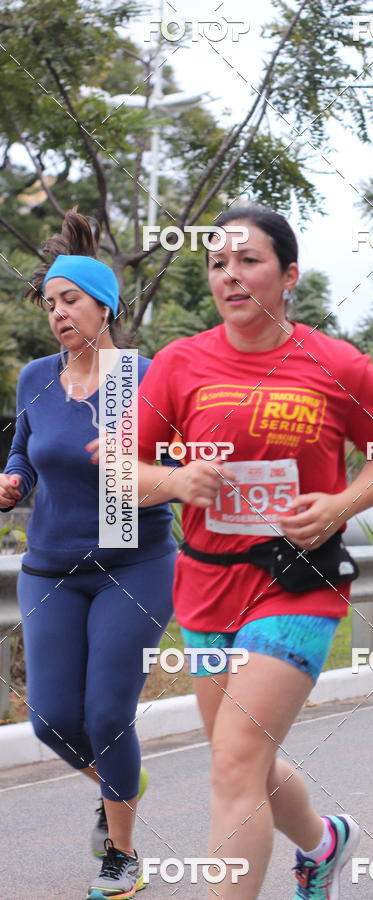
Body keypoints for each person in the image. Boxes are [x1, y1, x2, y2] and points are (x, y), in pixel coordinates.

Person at [135, 205, 373, 899]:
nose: (231, 276)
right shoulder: (178, 364)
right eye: (218, 264)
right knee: (244, 761)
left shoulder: (337, 362)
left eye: (248, 261)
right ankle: (324, 843)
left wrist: (340, 505)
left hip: (297, 582)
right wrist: (172, 479)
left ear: (289, 276)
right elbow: (119, 470)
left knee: (232, 767)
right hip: (205, 585)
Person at [0, 210, 177, 900]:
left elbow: (181, 459)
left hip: (134, 566)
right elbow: (23, 452)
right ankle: (121, 783)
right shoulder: (35, 378)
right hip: (50, 568)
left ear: (105, 304)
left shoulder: (146, 376)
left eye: (69, 298)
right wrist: (11, 482)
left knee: (106, 715)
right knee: (49, 719)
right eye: (48, 302)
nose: (57, 313)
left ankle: (121, 853)